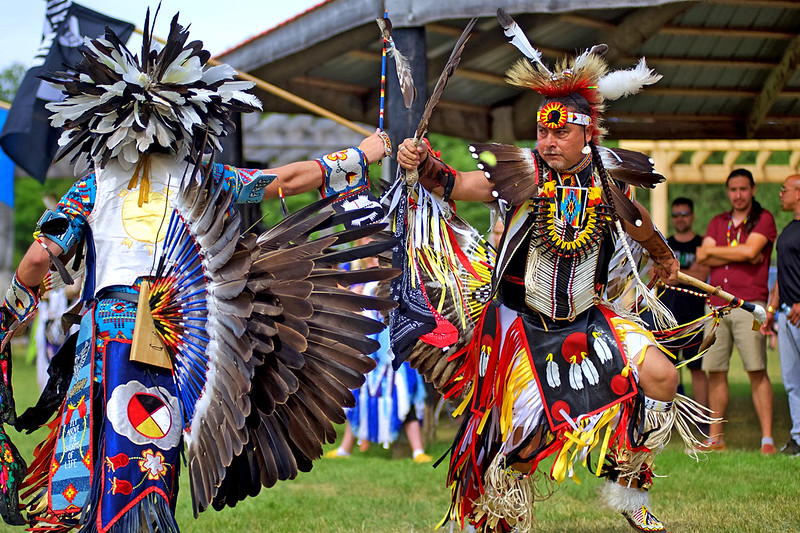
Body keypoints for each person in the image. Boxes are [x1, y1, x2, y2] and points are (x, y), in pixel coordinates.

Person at [0, 12, 393, 530]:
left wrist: (12, 312)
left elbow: (35, 259)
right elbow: (286, 178)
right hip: (166, 330)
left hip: (100, 333)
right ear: (185, 117)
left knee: (90, 451)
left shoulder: (96, 183)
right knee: (145, 458)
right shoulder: (198, 177)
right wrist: (358, 157)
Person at [396, 46, 710, 533]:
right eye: (543, 130)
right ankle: (502, 517)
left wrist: (664, 255)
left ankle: (629, 487)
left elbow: (638, 220)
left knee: (662, 379)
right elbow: (455, 183)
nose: (548, 140)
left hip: (590, 319)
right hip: (523, 329)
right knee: (525, 445)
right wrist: (424, 165)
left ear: (587, 133)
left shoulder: (606, 181)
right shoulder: (521, 176)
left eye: (560, 131)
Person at [696, 168, 777, 454]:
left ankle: (767, 438)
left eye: (743, 189)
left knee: (756, 370)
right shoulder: (717, 221)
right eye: (733, 190)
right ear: (728, 191)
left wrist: (721, 251)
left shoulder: (764, 218)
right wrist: (743, 251)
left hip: (749, 305)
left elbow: (750, 252)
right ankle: (715, 437)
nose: (738, 195)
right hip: (716, 306)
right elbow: (703, 254)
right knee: (715, 371)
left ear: (753, 189)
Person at [761, 174, 800, 456]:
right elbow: (782, 277)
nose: (780, 194)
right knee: (791, 380)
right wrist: (772, 309)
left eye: (784, 190)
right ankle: (798, 438)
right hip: (786, 315)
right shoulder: (789, 229)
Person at [661, 198, 709, 408]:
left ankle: (700, 418)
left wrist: (674, 273)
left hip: (694, 315)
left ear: (692, 216)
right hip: (667, 315)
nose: (679, 219)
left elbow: (702, 274)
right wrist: (684, 274)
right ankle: (667, 415)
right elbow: (658, 275)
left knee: (697, 368)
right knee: (666, 367)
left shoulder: (702, 243)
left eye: (684, 214)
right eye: (675, 215)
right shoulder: (664, 244)